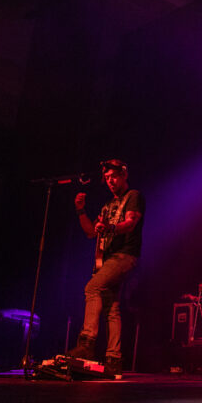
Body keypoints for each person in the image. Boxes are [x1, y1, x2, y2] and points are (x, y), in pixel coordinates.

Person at [67, 158, 145, 376]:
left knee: (92, 288)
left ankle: (87, 342)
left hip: (124, 256)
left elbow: (130, 223)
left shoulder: (133, 197)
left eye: (114, 176)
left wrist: (109, 227)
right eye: (107, 178)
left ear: (124, 175)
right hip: (109, 259)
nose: (110, 181)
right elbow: (91, 232)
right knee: (112, 307)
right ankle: (114, 357)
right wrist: (81, 211)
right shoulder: (107, 205)